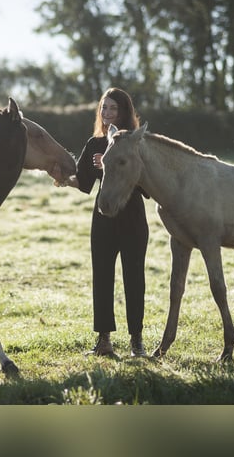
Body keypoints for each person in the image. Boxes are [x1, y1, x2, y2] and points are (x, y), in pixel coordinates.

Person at [59, 88, 149, 357]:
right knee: (102, 278)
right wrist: (62, 177)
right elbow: (84, 183)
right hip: (103, 219)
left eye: (113, 108)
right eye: (103, 108)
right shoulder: (95, 144)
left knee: (135, 279)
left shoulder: (136, 143)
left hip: (133, 218)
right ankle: (104, 342)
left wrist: (111, 166)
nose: (107, 113)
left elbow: (147, 187)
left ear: (124, 112)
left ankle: (137, 342)